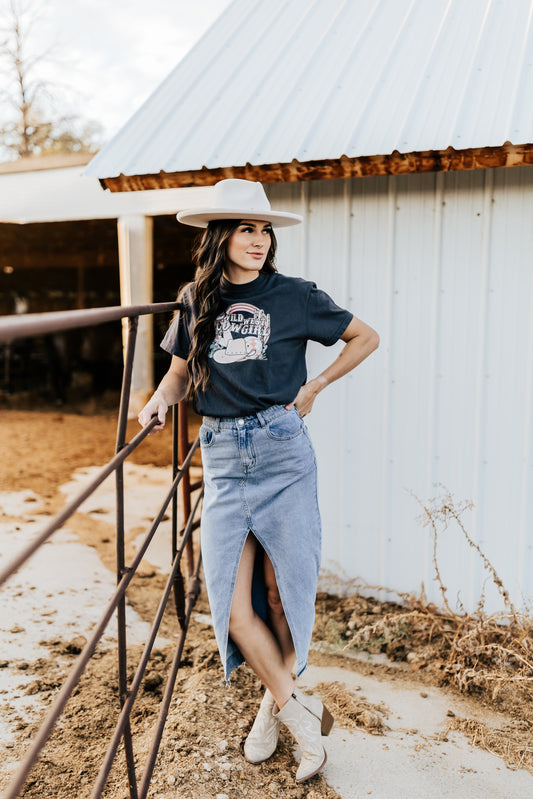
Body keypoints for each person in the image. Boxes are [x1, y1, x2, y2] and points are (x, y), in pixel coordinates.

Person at [138, 178, 379, 783]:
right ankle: (302, 714)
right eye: (246, 228)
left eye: (264, 229)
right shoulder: (197, 298)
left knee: (281, 595)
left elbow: (365, 337)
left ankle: (271, 716)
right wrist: (158, 401)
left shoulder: (295, 295)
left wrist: (315, 387)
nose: (259, 240)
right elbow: (178, 374)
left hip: (280, 451)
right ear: (221, 236)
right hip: (220, 455)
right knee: (232, 605)